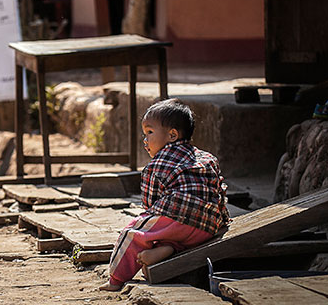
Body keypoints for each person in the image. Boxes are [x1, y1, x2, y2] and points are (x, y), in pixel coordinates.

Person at [99, 99, 230, 291]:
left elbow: (150, 205)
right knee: (171, 227)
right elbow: (219, 190)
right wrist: (222, 220)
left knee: (134, 233)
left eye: (149, 133)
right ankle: (169, 248)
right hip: (208, 228)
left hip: (178, 221)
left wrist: (147, 222)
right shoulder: (207, 158)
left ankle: (115, 279)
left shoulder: (157, 164)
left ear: (172, 135)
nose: (145, 140)